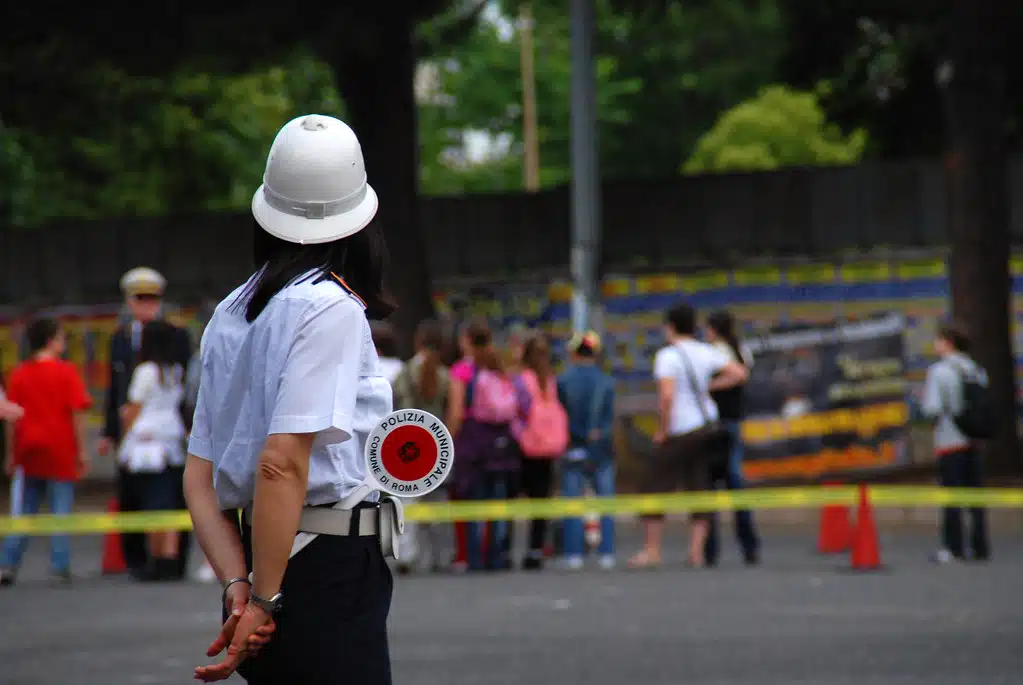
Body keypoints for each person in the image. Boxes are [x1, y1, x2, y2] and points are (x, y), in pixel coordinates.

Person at [183, 113, 397, 684]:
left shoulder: (231, 311)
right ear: (361, 218)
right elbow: (282, 462)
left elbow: (200, 477)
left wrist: (238, 586)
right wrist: (267, 601)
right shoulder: (330, 306)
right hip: (321, 566)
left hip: (258, 558)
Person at [629, 301, 748, 569]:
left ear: (670, 327)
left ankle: (652, 550)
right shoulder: (705, 351)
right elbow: (739, 373)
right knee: (700, 488)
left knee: (653, 487)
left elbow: (667, 396)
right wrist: (709, 386)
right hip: (705, 427)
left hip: (679, 428)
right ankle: (696, 552)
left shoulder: (667, 356)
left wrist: (662, 429)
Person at [99, 266, 192, 578]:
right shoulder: (120, 339)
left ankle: (168, 562)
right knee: (132, 496)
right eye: (140, 298)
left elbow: (188, 389)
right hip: (134, 435)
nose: (146, 305)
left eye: (152, 298)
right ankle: (137, 559)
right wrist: (109, 432)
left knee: (170, 496)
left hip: (159, 433)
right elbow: (114, 388)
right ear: (129, 301)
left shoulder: (177, 336)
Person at [1, 317, 92, 586]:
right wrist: (82, 452)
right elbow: (77, 412)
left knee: (24, 511)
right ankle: (59, 565)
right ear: (51, 340)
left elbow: (11, 419)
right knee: (60, 510)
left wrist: (10, 454)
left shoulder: (18, 374)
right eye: (62, 337)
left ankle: (8, 563)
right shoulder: (66, 372)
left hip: (28, 448)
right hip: (60, 448)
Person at [447, 319, 520, 572]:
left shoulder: (462, 371)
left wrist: (449, 440)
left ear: (466, 340)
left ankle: (475, 557)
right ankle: (497, 556)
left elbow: (457, 412)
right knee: (498, 499)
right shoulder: (499, 366)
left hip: (473, 442)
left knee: (474, 499)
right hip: (501, 442)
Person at [119, 320, 188, 582]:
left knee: (151, 505)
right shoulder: (176, 371)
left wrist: (124, 441)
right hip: (172, 440)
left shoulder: (145, 371)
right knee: (169, 504)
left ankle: (156, 559)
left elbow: (133, 409)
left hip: (146, 442)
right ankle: (170, 558)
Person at [920, 322, 991, 564]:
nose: (935, 345)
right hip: (973, 440)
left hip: (950, 442)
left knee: (951, 497)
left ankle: (953, 548)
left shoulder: (939, 372)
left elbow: (932, 409)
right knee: (975, 497)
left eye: (938, 340)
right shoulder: (976, 370)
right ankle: (980, 546)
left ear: (948, 342)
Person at [392, 319, 451, 573]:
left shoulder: (405, 372)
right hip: (437, 443)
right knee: (437, 501)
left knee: (409, 501)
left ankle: (408, 555)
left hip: (408, 444)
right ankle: (441, 556)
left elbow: (393, 408)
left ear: (418, 342)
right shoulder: (445, 376)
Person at [703, 310, 760, 566]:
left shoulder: (716, 352)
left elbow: (739, 375)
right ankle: (749, 546)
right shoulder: (741, 349)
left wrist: (709, 387)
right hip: (734, 423)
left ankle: (710, 550)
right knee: (736, 487)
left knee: (710, 487)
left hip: (717, 425)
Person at [557, 331, 616, 571]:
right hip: (601, 448)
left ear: (573, 353)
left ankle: (574, 553)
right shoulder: (607, 381)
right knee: (605, 501)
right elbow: (609, 419)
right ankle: (607, 553)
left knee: (572, 502)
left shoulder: (562, 381)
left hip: (572, 446)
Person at [515, 332, 569, 570]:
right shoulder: (550, 380)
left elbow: (518, 412)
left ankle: (509, 549)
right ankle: (537, 549)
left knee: (518, 495)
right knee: (542, 498)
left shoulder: (523, 380)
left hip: (528, 447)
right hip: (550, 447)